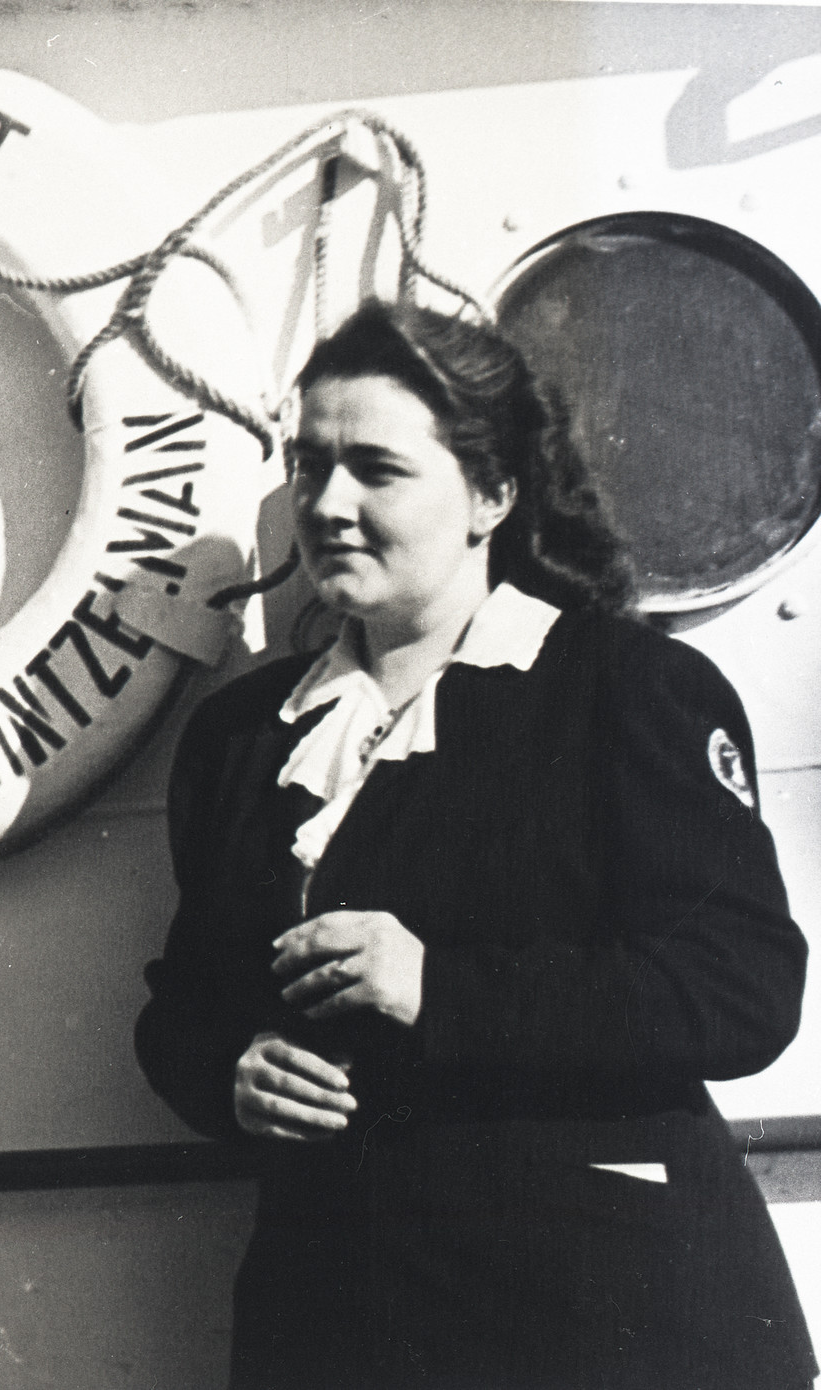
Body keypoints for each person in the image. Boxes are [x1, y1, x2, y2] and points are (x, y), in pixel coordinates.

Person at [136, 299, 816, 1389]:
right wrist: (229, 1071)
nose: (327, 504)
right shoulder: (241, 737)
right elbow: (181, 1002)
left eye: (375, 469)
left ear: (490, 496)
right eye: (308, 466)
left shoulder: (625, 690)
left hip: (606, 1320)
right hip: (339, 1321)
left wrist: (437, 989)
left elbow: (738, 987)